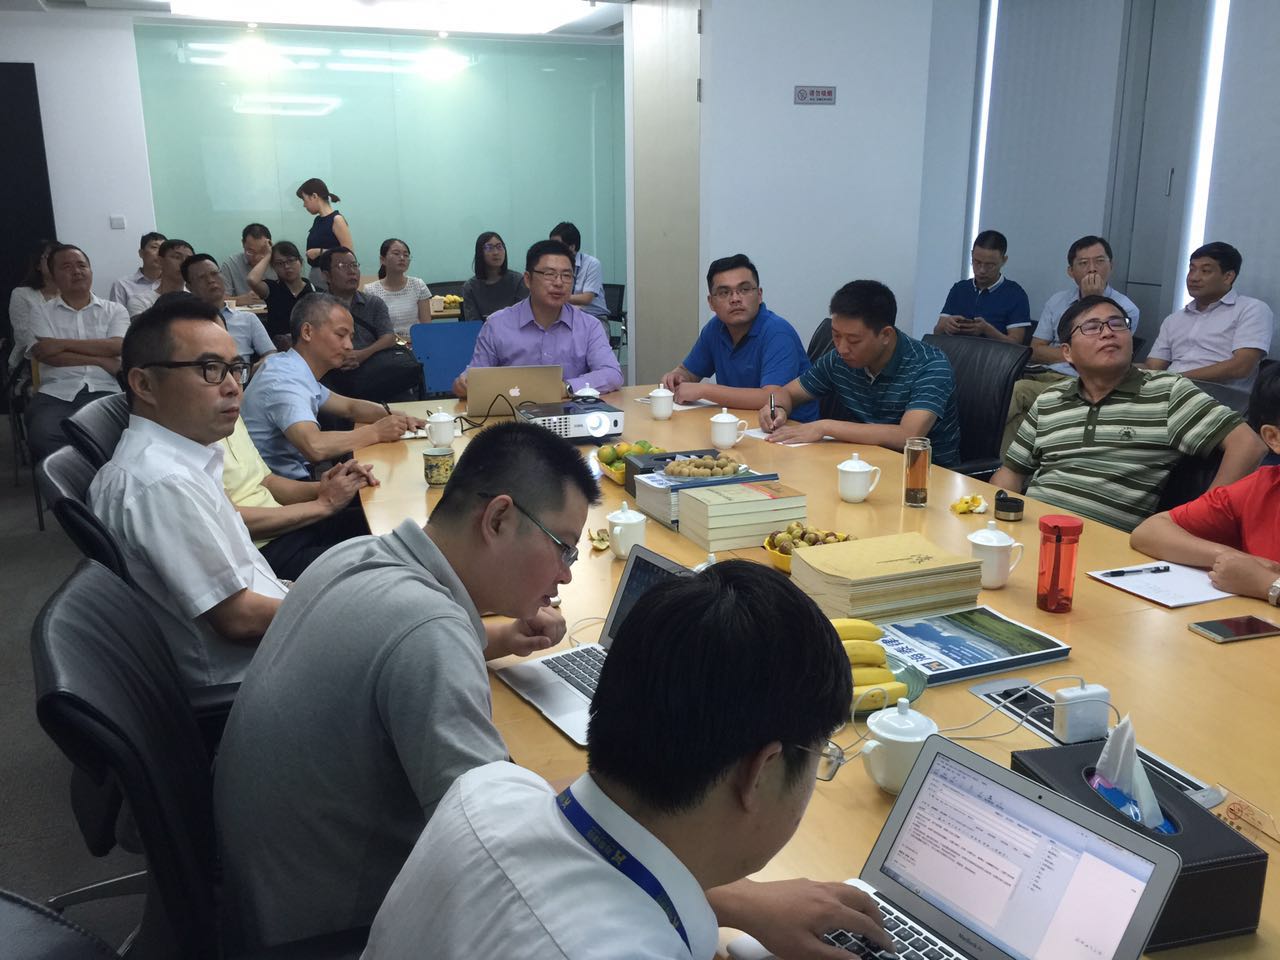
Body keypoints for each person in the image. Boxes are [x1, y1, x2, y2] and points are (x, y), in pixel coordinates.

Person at [215, 422, 879, 957]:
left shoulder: (358, 556)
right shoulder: (428, 635)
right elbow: (512, 845)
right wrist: (743, 902)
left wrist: (497, 638)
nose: (565, 575)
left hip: (258, 877)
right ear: (499, 518)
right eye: (563, 547)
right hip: (322, 925)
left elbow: (407, 653)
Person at [363, 560, 893, 960]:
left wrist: (743, 903)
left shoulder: (486, 791)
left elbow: (571, 796)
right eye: (820, 754)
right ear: (763, 770)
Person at [87, 297, 287, 688]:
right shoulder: (162, 482)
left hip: (274, 646)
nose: (232, 387)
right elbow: (239, 618)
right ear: (144, 384)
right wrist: (333, 608)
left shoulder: (184, 459)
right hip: (258, 679)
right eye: (210, 369)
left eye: (235, 369)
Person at [991, 295, 1264, 532]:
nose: (1108, 332)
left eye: (1117, 323)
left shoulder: (1166, 391)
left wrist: (1203, 518)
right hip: (1030, 531)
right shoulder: (1050, 399)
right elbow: (1011, 474)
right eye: (1092, 327)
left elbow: (1248, 445)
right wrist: (992, 526)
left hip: (1103, 547)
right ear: (1067, 352)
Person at [758, 279, 962, 466]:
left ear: (886, 335)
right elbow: (787, 393)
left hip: (922, 476)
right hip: (861, 463)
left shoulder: (930, 365)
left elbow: (907, 435)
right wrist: (777, 408)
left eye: (854, 340)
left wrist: (824, 427)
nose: (842, 348)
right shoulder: (839, 359)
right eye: (836, 335)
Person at [1131, 362, 1280, 600]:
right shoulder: (1261, 486)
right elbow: (1149, 533)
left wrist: (1268, 584)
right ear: (1273, 438)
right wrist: (1234, 560)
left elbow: (1265, 582)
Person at [241, 292, 422, 481]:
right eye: (340, 335)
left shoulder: (294, 368)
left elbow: (349, 407)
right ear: (307, 332)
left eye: (350, 337)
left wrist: (400, 417)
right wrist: (376, 432)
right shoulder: (284, 379)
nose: (349, 345)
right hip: (276, 491)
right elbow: (314, 446)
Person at [1002, 235, 1141, 454]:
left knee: (1018, 392)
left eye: (1099, 261)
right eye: (1083, 263)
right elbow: (1035, 350)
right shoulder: (1057, 301)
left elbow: (1097, 357)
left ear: (1111, 266)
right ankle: (1001, 467)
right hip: (1041, 374)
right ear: (1071, 271)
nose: (1092, 269)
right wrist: (1074, 353)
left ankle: (976, 447)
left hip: (1080, 382)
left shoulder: (1125, 309)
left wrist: (1092, 300)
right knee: (1017, 417)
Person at [453, 239, 622, 398]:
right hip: (512, 415)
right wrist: (464, 384)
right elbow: (474, 376)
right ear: (528, 279)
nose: (559, 283)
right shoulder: (497, 325)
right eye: (549, 274)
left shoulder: (589, 325)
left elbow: (612, 373)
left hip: (570, 413)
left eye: (566, 275)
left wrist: (567, 388)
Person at [660, 253, 819, 420]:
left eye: (744, 290)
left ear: (759, 295)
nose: (735, 299)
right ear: (711, 302)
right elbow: (688, 372)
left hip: (790, 427)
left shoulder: (778, 333)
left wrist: (705, 390)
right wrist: (677, 377)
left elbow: (773, 397)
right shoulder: (715, 328)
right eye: (724, 292)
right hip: (741, 421)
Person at [220, 411, 375, 582]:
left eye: (238, 385)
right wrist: (323, 505)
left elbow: (267, 481)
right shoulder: (199, 447)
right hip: (261, 552)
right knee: (378, 559)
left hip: (291, 525)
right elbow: (231, 520)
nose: (233, 394)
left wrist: (337, 485)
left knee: (380, 528)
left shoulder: (231, 417)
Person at [25, 244, 129, 462]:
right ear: (53, 275)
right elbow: (49, 355)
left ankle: (108, 480)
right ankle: (73, 480)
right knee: (43, 435)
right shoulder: (40, 312)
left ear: (90, 270)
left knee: (125, 436)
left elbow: (117, 346)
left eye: (82, 265)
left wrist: (60, 344)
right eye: (66, 267)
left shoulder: (115, 310)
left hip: (106, 389)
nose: (77, 271)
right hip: (56, 393)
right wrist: (102, 360)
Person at [1142, 241, 1273, 391]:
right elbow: (1153, 367)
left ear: (1228, 277)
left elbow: (1241, 367)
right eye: (1191, 269)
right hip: (1168, 391)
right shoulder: (1174, 319)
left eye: (1205, 271)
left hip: (1218, 398)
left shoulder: (1251, 309)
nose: (1193, 278)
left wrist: (1175, 380)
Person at [319, 247, 414, 401]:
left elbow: (388, 337)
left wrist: (362, 355)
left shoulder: (373, 303)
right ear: (326, 275)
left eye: (354, 265)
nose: (352, 271)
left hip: (372, 372)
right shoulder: (316, 307)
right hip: (333, 375)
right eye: (343, 266)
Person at [933, 229, 1032, 344]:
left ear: (1004, 260)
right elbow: (936, 332)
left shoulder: (1015, 294)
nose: (982, 270)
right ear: (972, 255)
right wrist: (947, 325)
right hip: (955, 351)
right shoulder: (960, 289)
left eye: (990, 265)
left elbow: (1016, 345)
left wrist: (987, 330)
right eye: (977, 262)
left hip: (993, 353)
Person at [182, 254, 276, 368]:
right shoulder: (185, 325)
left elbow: (271, 354)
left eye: (214, 273)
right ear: (189, 287)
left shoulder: (247, 319)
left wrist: (248, 371)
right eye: (202, 277)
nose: (211, 280)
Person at [246, 239, 314, 348]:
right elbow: (252, 279)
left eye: (291, 260)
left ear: (300, 262)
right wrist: (268, 255)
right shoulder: (272, 288)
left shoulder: (313, 290)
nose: (286, 266)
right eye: (280, 263)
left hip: (308, 347)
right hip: (278, 349)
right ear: (273, 267)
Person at [363, 238, 432, 338]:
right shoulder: (370, 290)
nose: (402, 258)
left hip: (414, 342)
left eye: (406, 255)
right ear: (383, 259)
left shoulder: (418, 285)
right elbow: (369, 330)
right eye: (396, 253)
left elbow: (427, 327)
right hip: (386, 345)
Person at [7, 238, 58, 373]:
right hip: (30, 365)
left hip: (74, 361)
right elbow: (24, 338)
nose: (56, 261)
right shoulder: (22, 294)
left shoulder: (75, 294)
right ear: (38, 265)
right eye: (49, 256)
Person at [298, 177, 352, 290]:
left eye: (304, 200)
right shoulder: (318, 220)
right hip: (316, 275)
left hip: (332, 276)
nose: (304, 205)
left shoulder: (337, 219)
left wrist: (320, 251)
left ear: (314, 196)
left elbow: (348, 252)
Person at [460, 230, 528, 321]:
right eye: (489, 248)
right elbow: (473, 323)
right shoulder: (470, 287)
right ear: (480, 253)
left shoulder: (518, 281)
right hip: (482, 330)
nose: (496, 252)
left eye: (499, 247)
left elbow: (522, 317)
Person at [549, 220, 607, 319]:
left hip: (593, 317)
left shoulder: (592, 264)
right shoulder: (554, 265)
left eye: (557, 245)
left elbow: (586, 298)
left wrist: (556, 296)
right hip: (567, 315)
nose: (553, 249)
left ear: (572, 247)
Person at [126, 238, 192, 317]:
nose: (184, 263)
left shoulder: (196, 299)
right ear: (160, 261)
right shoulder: (141, 301)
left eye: (189, 259)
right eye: (177, 257)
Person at [219, 223, 275, 305]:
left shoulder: (277, 263)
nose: (256, 257)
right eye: (251, 251)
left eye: (262, 251)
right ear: (243, 243)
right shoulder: (231, 264)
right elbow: (219, 300)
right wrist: (241, 300)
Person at [107, 231, 165, 307]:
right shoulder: (122, 285)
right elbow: (117, 314)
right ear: (141, 253)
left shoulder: (173, 283)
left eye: (163, 249)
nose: (160, 253)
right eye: (154, 247)